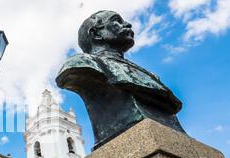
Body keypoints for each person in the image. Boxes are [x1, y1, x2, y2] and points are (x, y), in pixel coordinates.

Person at [56, 11, 185, 149]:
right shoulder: (82, 64)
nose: (127, 24)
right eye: (116, 20)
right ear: (96, 34)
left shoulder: (151, 76)